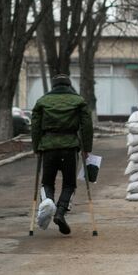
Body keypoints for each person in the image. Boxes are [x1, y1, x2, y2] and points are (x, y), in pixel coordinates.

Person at [30, 74, 93, 235]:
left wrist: (36, 147)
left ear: (53, 86)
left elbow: (35, 125)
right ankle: (60, 212)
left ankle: (47, 201)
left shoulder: (42, 101)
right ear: (69, 85)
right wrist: (87, 147)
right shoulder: (78, 101)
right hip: (70, 147)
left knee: (47, 183)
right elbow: (86, 125)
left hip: (48, 147)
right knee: (69, 184)